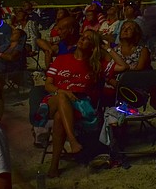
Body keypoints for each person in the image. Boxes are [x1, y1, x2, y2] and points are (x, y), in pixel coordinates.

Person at [42, 30, 127, 177]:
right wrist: (63, 92)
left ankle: (54, 166)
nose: (82, 39)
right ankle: (73, 142)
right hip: (54, 99)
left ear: (93, 46)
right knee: (62, 97)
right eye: (82, 36)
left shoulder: (96, 65)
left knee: (58, 118)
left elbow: (124, 66)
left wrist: (106, 47)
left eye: (88, 39)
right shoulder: (61, 59)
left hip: (80, 104)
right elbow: (48, 85)